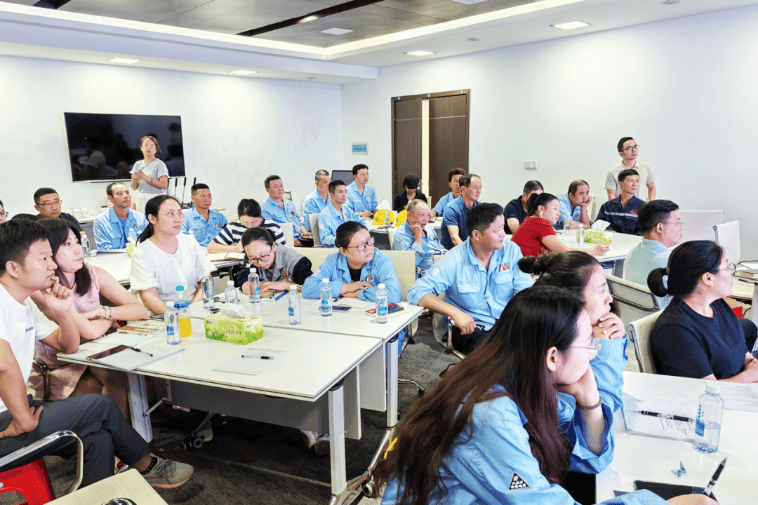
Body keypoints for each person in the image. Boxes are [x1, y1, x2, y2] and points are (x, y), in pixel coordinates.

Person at [373, 287, 705, 505]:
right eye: (589, 343)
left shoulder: (526, 379)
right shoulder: (489, 414)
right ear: (552, 357)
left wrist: (589, 400)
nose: (593, 352)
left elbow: (590, 460)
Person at [0, 219, 194, 489]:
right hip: (8, 419)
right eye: (44, 258)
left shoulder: (25, 304)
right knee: (100, 406)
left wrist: (64, 312)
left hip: (16, 409)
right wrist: (22, 419)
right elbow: (4, 363)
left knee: (99, 437)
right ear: (13, 268)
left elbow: (67, 346)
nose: (52, 265)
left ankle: (98, 497)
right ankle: (147, 465)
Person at [29, 218, 148, 418]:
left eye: (77, 242)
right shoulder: (41, 288)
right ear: (48, 252)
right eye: (67, 244)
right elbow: (89, 331)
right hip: (62, 363)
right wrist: (109, 319)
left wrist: (103, 313)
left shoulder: (93, 273)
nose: (77, 249)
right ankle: (123, 434)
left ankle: (126, 433)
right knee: (118, 379)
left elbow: (140, 310)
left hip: (97, 352)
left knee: (133, 373)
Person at [408, 204, 533, 354]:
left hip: (507, 324)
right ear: (476, 235)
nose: (503, 234)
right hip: (472, 328)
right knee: (497, 357)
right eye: (496, 230)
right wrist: (455, 312)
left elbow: (525, 291)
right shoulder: (455, 258)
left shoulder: (511, 250)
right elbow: (417, 291)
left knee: (541, 346)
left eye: (503, 227)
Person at [519, 251, 630, 411]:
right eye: (601, 291)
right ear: (571, 300)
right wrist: (608, 345)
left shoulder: (555, 330)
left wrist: (611, 337)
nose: (610, 299)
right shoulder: (556, 353)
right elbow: (602, 407)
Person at [649, 241, 758, 381]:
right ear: (708, 278)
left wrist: (752, 366)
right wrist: (749, 376)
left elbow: (746, 356)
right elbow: (706, 389)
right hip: (723, 394)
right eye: (727, 267)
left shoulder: (716, 304)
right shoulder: (675, 328)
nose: (731, 272)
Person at [130, 195, 213, 315]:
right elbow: (148, 296)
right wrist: (175, 318)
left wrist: (192, 311)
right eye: (170, 214)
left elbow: (206, 280)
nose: (178, 219)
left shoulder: (189, 242)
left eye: (180, 213)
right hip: (162, 316)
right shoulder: (143, 252)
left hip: (195, 310)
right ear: (152, 218)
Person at [512, 193, 609, 258]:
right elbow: (565, 252)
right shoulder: (540, 225)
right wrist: (594, 250)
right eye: (555, 209)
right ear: (541, 208)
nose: (558, 213)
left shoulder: (530, 221)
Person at [625, 200, 682, 308]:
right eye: (677, 223)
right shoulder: (671, 260)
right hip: (663, 317)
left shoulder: (632, 252)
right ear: (660, 228)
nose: (681, 228)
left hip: (636, 316)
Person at [235, 228, 313, 296]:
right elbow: (241, 276)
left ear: (273, 247)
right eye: (253, 258)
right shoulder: (251, 256)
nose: (260, 263)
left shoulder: (295, 261)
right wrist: (246, 284)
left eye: (264, 256)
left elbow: (312, 288)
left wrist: (285, 285)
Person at [208, 199, 285, 254]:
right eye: (245, 223)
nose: (250, 226)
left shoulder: (274, 227)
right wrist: (236, 249)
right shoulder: (234, 226)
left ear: (260, 216)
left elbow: (283, 252)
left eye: (254, 222)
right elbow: (211, 248)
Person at [393, 199, 445, 277]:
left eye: (428, 215)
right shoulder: (401, 235)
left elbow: (439, 247)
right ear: (409, 215)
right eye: (422, 215)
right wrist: (418, 236)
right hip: (426, 274)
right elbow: (409, 264)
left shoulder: (428, 227)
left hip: (441, 266)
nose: (426, 219)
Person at [93, 183, 148, 250]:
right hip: (114, 256)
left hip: (138, 255)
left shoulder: (141, 218)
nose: (125, 196)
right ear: (110, 198)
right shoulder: (101, 221)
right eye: (119, 193)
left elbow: (149, 243)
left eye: (127, 192)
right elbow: (104, 249)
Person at [261, 175, 311, 247]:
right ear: (267, 190)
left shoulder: (290, 204)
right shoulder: (265, 209)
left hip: (301, 239)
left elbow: (299, 222)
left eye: (281, 186)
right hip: (285, 244)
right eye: (276, 187)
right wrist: (290, 241)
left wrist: (305, 233)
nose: (280, 189)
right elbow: (271, 233)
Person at [606, 137, 656, 202]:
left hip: (643, 207)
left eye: (635, 147)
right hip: (623, 207)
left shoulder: (646, 167)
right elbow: (611, 195)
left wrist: (651, 204)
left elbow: (651, 187)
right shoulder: (613, 173)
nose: (634, 150)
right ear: (621, 153)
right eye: (629, 148)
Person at [597, 169, 644, 235]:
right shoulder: (607, 206)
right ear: (621, 184)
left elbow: (643, 232)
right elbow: (599, 227)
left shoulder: (643, 207)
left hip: (632, 241)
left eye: (637, 181)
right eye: (631, 181)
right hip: (609, 240)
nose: (634, 184)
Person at [440, 173, 481, 250]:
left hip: (473, 250)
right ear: (463, 189)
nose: (479, 191)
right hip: (452, 251)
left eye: (480, 187)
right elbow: (455, 238)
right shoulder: (451, 208)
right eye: (475, 187)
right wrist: (468, 253)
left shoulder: (479, 207)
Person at [130, 135, 169, 213]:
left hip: (156, 200)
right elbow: (134, 188)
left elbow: (164, 186)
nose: (149, 147)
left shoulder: (159, 164)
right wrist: (134, 180)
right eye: (146, 145)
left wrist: (146, 178)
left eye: (152, 145)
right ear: (141, 148)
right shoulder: (138, 164)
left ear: (155, 149)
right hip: (141, 199)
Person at [318, 180, 360, 247]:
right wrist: (342, 240)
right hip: (336, 247)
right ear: (331, 195)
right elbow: (325, 238)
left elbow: (360, 222)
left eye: (345, 192)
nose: (344, 195)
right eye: (340, 192)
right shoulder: (325, 214)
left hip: (351, 245)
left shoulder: (348, 210)